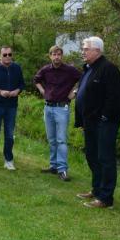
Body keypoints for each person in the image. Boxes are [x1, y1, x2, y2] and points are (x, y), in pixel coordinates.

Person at [74, 36, 120, 209]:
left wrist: (104, 118)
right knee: (92, 155)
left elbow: (114, 98)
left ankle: (106, 198)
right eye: (83, 48)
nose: (83, 51)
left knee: (105, 158)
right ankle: (96, 190)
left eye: (86, 48)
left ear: (97, 50)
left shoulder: (109, 69)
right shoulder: (88, 68)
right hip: (89, 122)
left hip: (104, 123)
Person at [33, 45, 82, 182]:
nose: (57, 57)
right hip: (48, 108)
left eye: (59, 54)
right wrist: (43, 91)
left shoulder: (70, 70)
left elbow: (84, 79)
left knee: (61, 140)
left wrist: (75, 92)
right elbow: (36, 80)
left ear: (62, 56)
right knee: (52, 139)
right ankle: (53, 166)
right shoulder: (46, 70)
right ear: (50, 56)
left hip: (62, 108)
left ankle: (62, 169)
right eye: (54, 54)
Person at [0, 46, 26, 170]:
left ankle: (8, 160)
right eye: (5, 54)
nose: (7, 57)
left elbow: (22, 84)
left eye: (9, 54)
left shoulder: (17, 68)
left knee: (9, 134)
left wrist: (16, 91)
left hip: (11, 106)